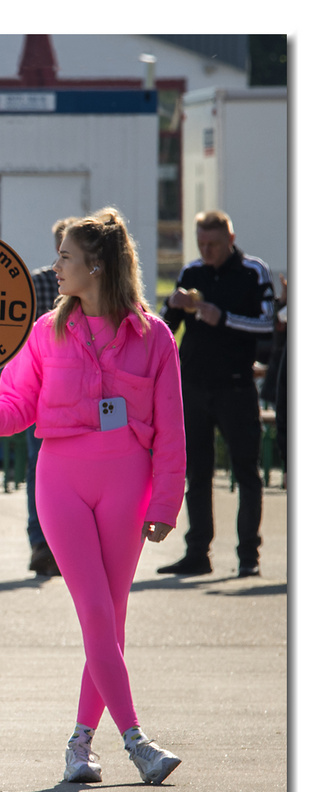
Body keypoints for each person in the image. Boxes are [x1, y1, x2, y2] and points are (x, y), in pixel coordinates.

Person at [0, 208, 185, 786]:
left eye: (65, 258)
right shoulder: (42, 332)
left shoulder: (153, 337)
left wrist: (165, 505)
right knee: (97, 613)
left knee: (112, 621)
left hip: (129, 481)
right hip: (61, 480)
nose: (55, 268)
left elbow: (174, 431)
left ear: (95, 266)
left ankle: (80, 743)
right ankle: (137, 742)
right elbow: (15, 408)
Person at [159, 210, 275, 578]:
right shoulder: (192, 272)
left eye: (213, 244)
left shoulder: (253, 272)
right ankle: (197, 553)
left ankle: (247, 555)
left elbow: (268, 323)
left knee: (246, 472)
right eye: (201, 244)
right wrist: (171, 306)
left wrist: (220, 316)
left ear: (231, 239)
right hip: (193, 385)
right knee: (197, 471)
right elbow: (165, 327)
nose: (206, 251)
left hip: (236, 385)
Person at [21, 216, 76, 577]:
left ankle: (62, 544)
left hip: (72, 391)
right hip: (42, 390)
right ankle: (43, 542)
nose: (61, 261)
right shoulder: (38, 283)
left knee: (66, 470)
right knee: (39, 467)